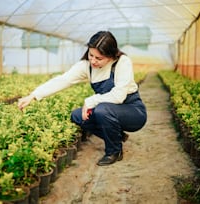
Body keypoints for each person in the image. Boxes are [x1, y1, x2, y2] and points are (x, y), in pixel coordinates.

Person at [18, 31, 147, 166]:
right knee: (78, 116)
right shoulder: (87, 66)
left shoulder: (122, 62)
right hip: (108, 110)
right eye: (91, 55)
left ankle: (114, 151)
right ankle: (116, 136)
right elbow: (63, 80)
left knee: (102, 110)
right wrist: (33, 95)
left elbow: (119, 96)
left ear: (110, 56)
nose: (93, 60)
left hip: (132, 111)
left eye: (99, 58)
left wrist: (90, 101)